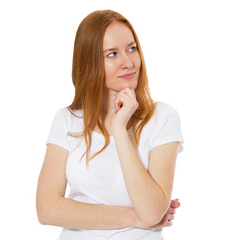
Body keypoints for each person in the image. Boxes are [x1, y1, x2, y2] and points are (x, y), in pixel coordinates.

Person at [36, 9, 184, 240]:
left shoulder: (162, 118)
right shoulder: (67, 120)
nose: (128, 62)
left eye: (132, 49)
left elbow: (152, 211)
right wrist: (135, 218)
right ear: (89, 63)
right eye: (112, 54)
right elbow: (47, 210)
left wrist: (119, 130)